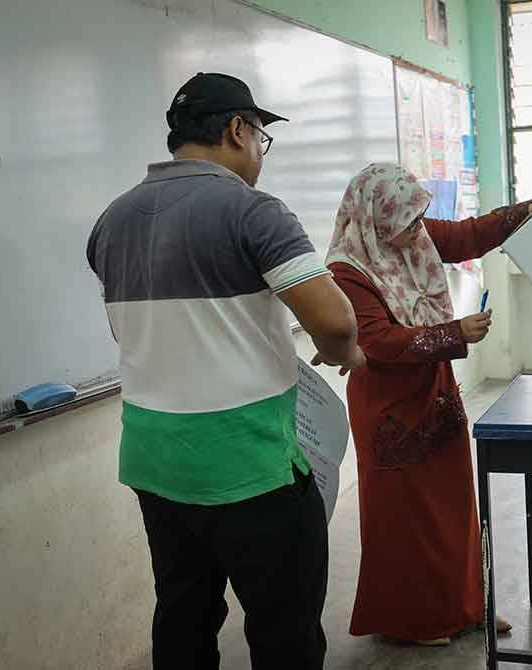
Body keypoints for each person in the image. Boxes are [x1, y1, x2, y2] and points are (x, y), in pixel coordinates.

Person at [86, 73, 365, 670]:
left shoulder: (111, 222)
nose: (260, 149)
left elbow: (136, 333)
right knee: (283, 630)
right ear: (238, 130)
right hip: (249, 464)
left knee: (184, 617)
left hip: (155, 461)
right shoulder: (253, 212)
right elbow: (336, 324)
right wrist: (346, 352)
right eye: (261, 136)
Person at [321, 162, 532, 645]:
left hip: (434, 391)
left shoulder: (413, 235)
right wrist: (454, 332)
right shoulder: (348, 269)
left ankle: (468, 605)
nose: (415, 233)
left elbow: (467, 235)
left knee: (456, 506)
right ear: (374, 220)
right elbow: (378, 342)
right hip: (388, 406)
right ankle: (419, 619)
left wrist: (522, 214)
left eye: (417, 220)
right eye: (404, 224)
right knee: (408, 517)